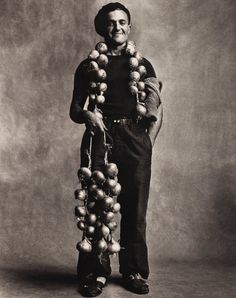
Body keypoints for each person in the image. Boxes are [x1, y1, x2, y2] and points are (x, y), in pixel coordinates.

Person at [70, 2, 163, 296]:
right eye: (111, 23)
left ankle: (133, 270)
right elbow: (74, 109)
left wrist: (146, 143)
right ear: (102, 28)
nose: (118, 27)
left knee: (135, 208)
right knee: (97, 205)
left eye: (123, 22)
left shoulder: (143, 64)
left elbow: (156, 109)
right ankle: (95, 273)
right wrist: (88, 115)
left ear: (129, 27)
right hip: (100, 136)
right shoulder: (88, 66)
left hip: (134, 138)